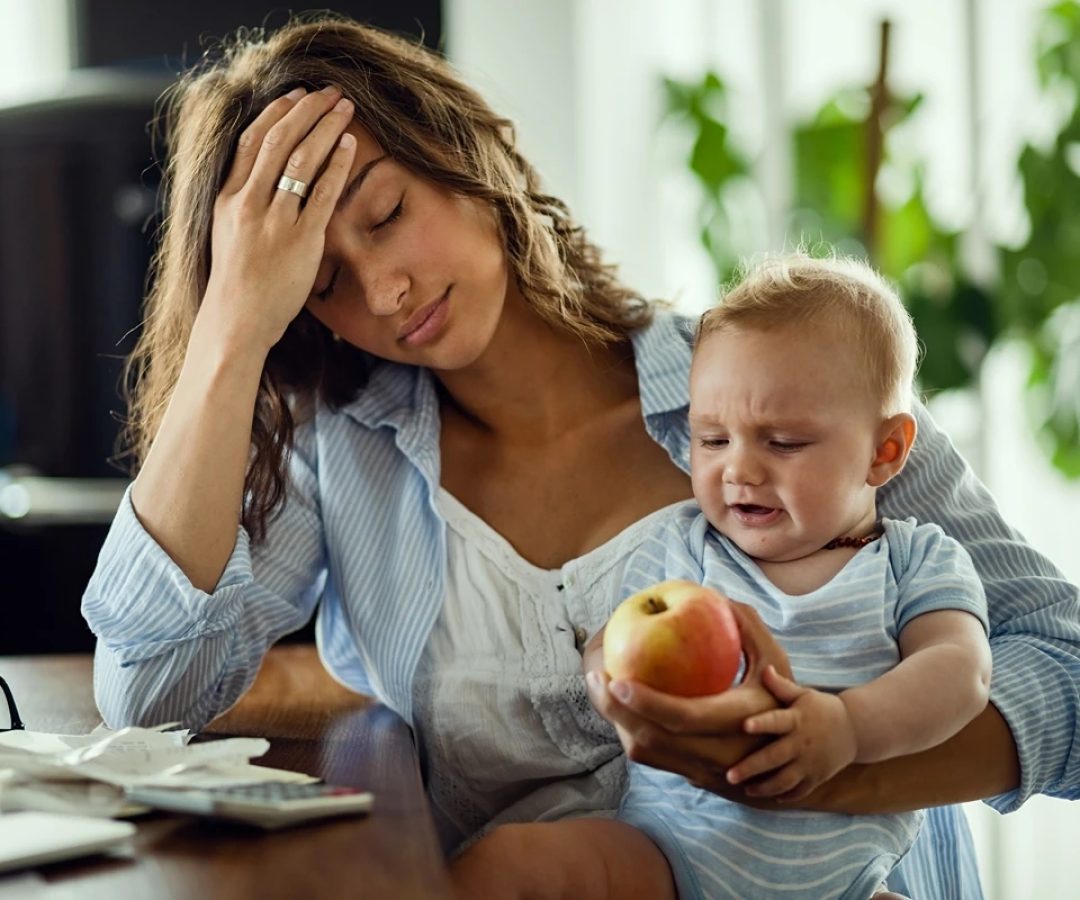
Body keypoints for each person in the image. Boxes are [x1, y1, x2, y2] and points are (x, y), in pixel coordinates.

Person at [79, 13, 1079, 900]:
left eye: (387, 215)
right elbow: (148, 694)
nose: (383, 290)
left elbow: (1066, 670)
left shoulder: (789, 398)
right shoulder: (346, 462)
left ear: (472, 154)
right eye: (321, 281)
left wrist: (835, 755)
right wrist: (228, 333)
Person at [587, 254, 990, 899]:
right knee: (522, 862)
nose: (739, 470)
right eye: (712, 440)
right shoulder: (683, 546)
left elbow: (959, 671)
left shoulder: (916, 560)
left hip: (846, 882)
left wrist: (850, 726)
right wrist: (614, 681)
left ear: (884, 451)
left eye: (782, 443)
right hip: (669, 857)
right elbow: (607, 642)